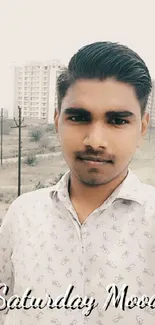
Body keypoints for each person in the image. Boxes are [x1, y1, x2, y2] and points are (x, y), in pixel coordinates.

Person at [0, 41, 155, 325]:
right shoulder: (22, 215)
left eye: (118, 121)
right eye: (79, 117)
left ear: (142, 127)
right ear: (58, 119)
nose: (95, 140)